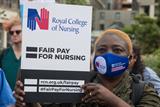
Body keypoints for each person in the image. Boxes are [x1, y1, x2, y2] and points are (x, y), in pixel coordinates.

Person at [14, 29, 160, 107]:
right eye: (102, 50)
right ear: (94, 56)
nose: (108, 55)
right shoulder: (76, 85)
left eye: (117, 50)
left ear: (129, 59)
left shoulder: (143, 90)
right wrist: (28, 100)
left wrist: (112, 101)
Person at [0, 17, 22, 91]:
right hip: (6, 100)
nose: (14, 34)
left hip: (24, 100)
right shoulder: (4, 54)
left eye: (18, 31)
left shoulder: (30, 55)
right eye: (11, 32)